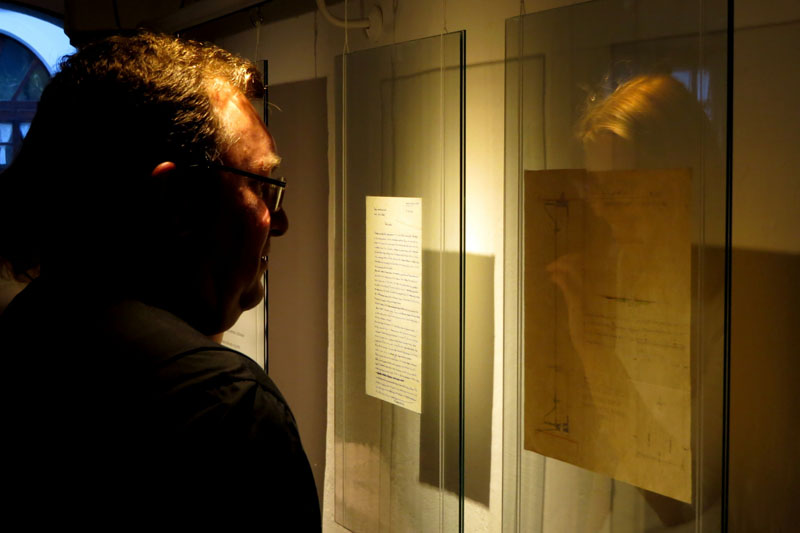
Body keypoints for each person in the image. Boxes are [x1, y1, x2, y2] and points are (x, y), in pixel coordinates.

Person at [0, 32, 320, 527]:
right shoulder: (226, 406)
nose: (279, 222)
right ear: (179, 201)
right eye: (260, 186)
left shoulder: (24, 328)